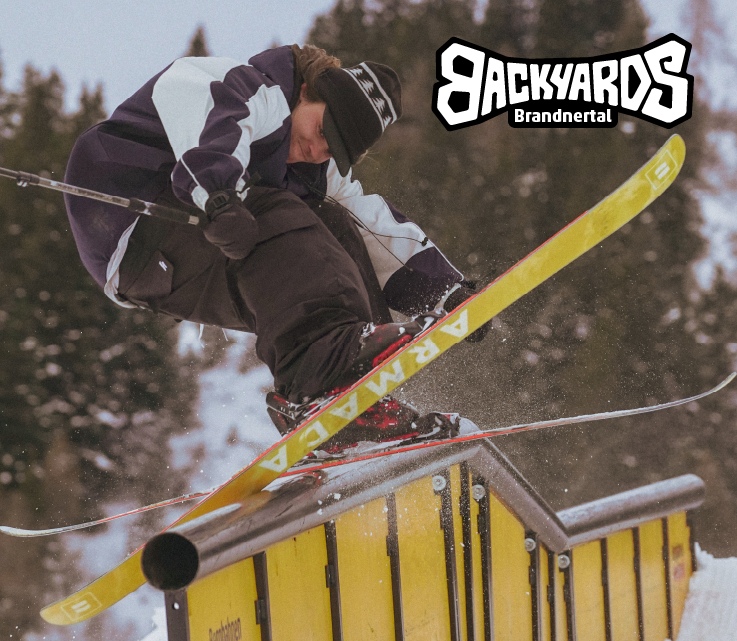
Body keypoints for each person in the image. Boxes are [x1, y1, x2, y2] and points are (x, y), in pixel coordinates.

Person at [64, 44, 489, 451]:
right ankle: (320, 374)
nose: (317, 150)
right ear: (305, 92)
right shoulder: (246, 87)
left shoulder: (313, 171)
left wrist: (444, 292)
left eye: (332, 150)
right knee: (275, 208)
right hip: (132, 222)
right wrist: (219, 196)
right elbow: (208, 124)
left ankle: (354, 401)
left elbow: (372, 223)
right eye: (321, 131)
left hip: (192, 262)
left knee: (337, 225)